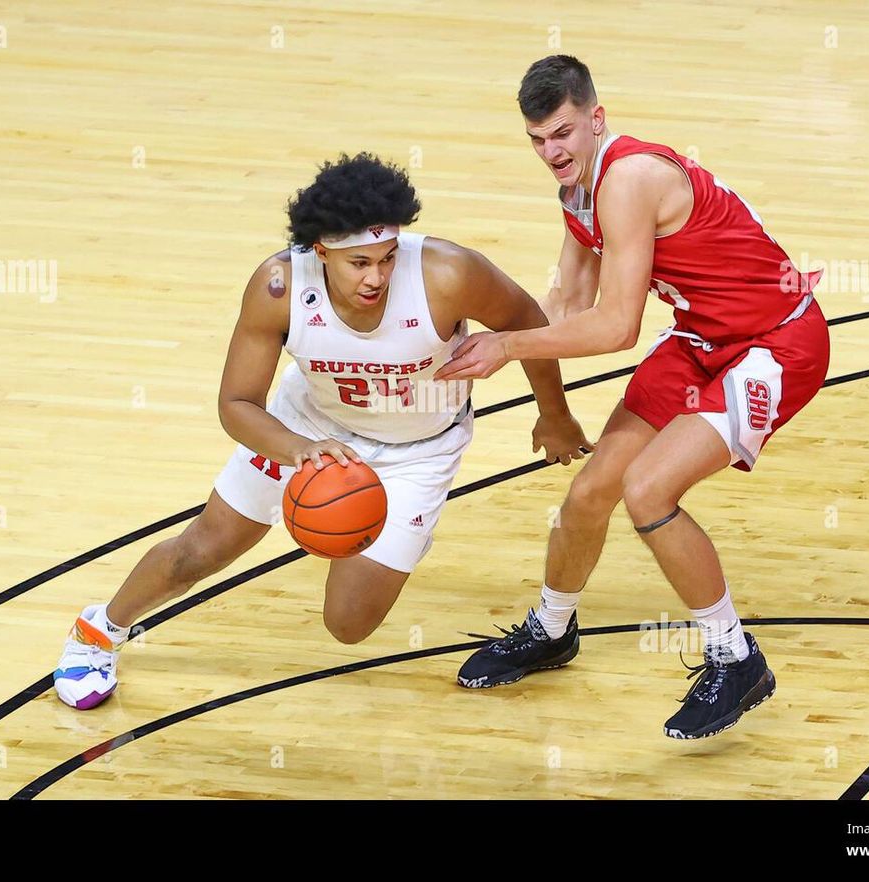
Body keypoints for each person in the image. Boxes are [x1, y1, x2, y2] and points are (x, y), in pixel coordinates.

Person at [54, 152, 591, 709]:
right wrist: (301, 451)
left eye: (386, 258)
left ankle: (395, 522)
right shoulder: (280, 286)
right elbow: (236, 404)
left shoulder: (449, 274)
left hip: (419, 449)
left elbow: (526, 319)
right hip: (309, 427)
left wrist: (553, 414)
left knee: (349, 624)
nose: (377, 276)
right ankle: (99, 632)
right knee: (204, 548)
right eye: (359, 262)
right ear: (321, 251)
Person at [441, 56, 829, 740]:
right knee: (591, 493)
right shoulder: (578, 193)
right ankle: (552, 631)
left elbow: (617, 328)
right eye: (537, 140)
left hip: (776, 342)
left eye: (562, 133)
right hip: (702, 338)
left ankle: (736, 658)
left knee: (647, 491)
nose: (551, 152)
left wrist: (504, 349)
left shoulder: (629, 179)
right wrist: (547, 403)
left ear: (596, 118)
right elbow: (565, 305)